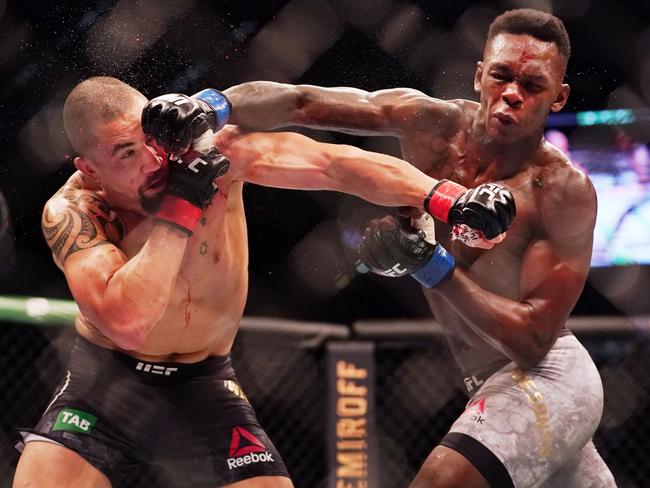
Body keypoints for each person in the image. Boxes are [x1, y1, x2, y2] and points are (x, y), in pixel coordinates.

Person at [12, 77, 514, 488]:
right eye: (124, 154)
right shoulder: (74, 212)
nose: (150, 161)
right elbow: (128, 320)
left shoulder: (208, 153)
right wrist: (182, 206)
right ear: (88, 169)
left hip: (205, 383)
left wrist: (442, 197)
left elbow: (333, 165)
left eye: (148, 141)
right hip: (106, 383)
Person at [222, 8, 616, 488]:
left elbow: (532, 341)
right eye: (502, 75)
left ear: (559, 98)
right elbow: (302, 100)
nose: (512, 93)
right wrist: (213, 106)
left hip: (548, 376)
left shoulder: (561, 190)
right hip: (486, 381)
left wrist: (432, 265)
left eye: (533, 85)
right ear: (479, 76)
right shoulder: (431, 126)